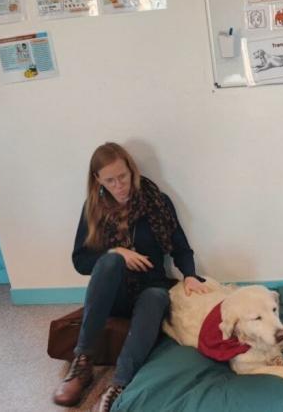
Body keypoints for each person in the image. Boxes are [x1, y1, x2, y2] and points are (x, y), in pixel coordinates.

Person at [52, 142, 209, 412]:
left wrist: (190, 276)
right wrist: (117, 251)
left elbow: (181, 248)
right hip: (114, 293)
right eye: (110, 180)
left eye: (122, 177)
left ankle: (119, 385)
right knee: (111, 261)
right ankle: (82, 364)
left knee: (155, 297)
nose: (119, 186)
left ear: (132, 171)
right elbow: (80, 261)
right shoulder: (93, 207)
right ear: (98, 180)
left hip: (152, 287)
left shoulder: (158, 202)